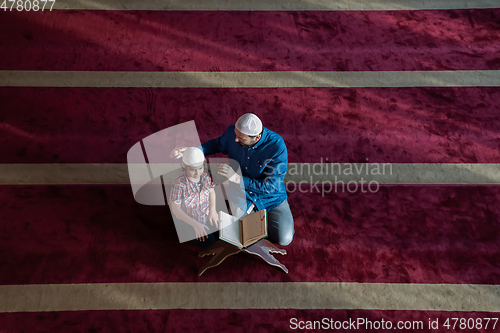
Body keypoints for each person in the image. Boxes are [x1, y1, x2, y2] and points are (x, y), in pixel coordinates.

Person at [171, 113, 294, 246]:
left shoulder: (277, 146)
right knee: (243, 236)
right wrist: (193, 152)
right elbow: (216, 144)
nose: (235, 140)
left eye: (241, 138)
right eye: (235, 134)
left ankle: (266, 224)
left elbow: (270, 187)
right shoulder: (232, 133)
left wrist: (237, 178)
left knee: (284, 239)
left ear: (257, 137)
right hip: (242, 194)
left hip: (271, 198)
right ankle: (260, 225)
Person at [169, 147, 219, 249]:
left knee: (223, 237)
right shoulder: (178, 184)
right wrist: (196, 225)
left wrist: (213, 211)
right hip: (190, 219)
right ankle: (185, 229)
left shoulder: (205, 174)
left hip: (206, 213)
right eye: (193, 170)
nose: (197, 173)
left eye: (200, 168)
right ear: (183, 165)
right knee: (210, 244)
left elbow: (211, 191)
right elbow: (177, 210)